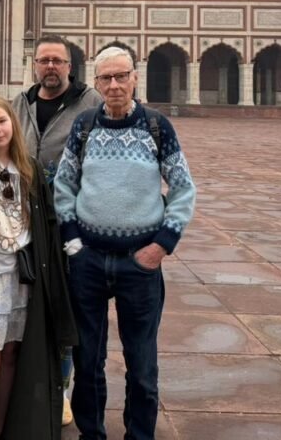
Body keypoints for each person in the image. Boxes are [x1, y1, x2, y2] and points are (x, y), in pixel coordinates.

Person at [53, 47, 196, 440]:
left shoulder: (156, 126)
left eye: (121, 76)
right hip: (89, 261)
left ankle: (139, 435)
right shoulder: (83, 127)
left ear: (136, 77)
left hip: (140, 262)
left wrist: (162, 245)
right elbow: (64, 185)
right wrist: (72, 241)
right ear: (95, 83)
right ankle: (91, 434)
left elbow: (183, 188)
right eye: (105, 78)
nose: (113, 85)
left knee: (142, 362)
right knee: (88, 360)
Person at [0, 97, 76, 439]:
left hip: (23, 276)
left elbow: (46, 223)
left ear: (13, 123)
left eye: (1, 121)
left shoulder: (28, 169)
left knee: (13, 351)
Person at [12, 34, 100, 426]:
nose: (50, 67)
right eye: (44, 60)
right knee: (28, 306)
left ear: (70, 65)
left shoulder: (91, 102)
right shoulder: (22, 103)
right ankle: (32, 386)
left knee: (66, 306)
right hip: (26, 222)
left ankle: (64, 390)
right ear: (35, 65)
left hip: (72, 223)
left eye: (58, 61)